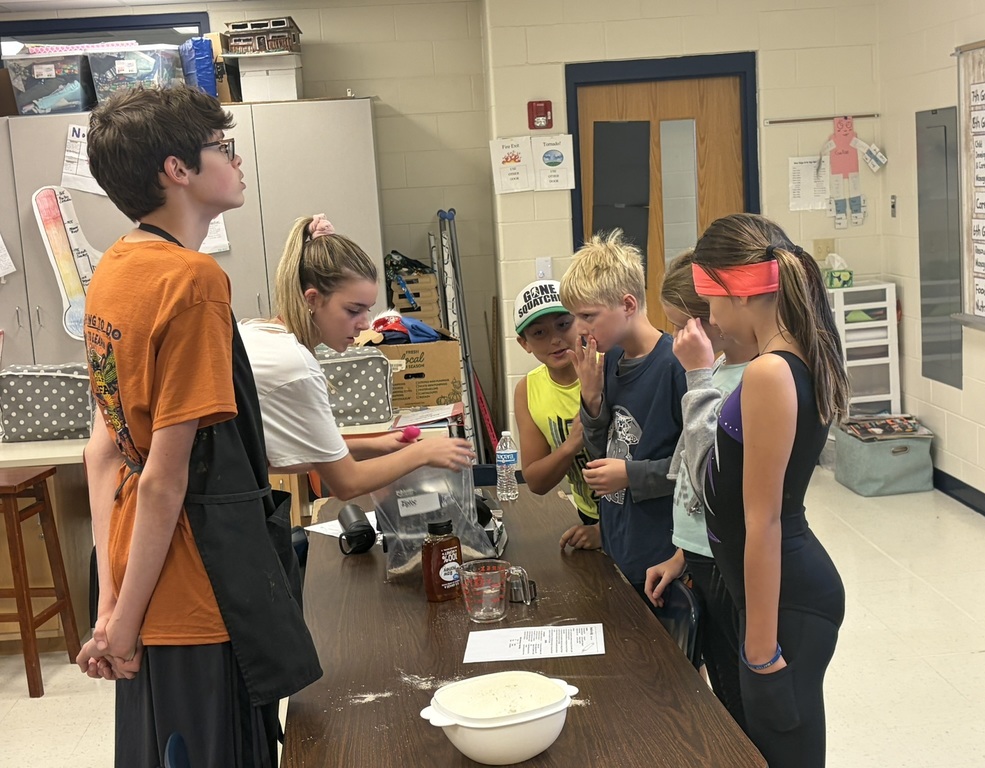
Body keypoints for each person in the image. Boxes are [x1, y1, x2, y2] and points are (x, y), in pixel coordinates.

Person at [77, 85, 320, 767]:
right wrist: (123, 629)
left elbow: (102, 451)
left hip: (139, 572)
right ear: (176, 170)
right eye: (222, 147)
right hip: (195, 586)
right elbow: (163, 480)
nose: (235, 162)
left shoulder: (114, 271)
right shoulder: (192, 281)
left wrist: (114, 600)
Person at [680, 213, 847, 768]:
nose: (711, 319)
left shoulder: (771, 372)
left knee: (788, 755)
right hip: (773, 591)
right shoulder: (787, 357)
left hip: (789, 600)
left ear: (741, 291)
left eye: (711, 302)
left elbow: (764, 519)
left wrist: (759, 644)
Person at [238, 214, 475, 497]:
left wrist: (376, 445)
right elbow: (347, 483)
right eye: (353, 310)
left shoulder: (258, 331)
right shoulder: (294, 366)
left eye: (367, 310)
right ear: (312, 299)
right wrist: (423, 452)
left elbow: (278, 455)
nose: (364, 323)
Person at [644, 250, 757, 730]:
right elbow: (688, 487)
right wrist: (680, 554)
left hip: (729, 563)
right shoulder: (717, 374)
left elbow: (707, 469)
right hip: (700, 556)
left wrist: (696, 375)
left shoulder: (745, 380)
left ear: (709, 321)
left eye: (678, 326)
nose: (673, 339)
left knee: (737, 695)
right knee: (721, 686)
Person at [559, 229, 686, 606]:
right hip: (621, 543)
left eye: (588, 316)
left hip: (662, 549)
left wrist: (630, 475)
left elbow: (697, 469)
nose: (579, 329)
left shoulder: (676, 365)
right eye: (574, 317)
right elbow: (601, 454)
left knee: (674, 659)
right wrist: (592, 398)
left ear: (628, 304)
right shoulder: (610, 361)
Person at [510, 279, 600, 550]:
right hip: (587, 514)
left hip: (632, 521)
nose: (555, 339)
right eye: (539, 333)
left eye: (563, 325)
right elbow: (536, 480)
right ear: (524, 343)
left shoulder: (607, 368)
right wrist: (570, 446)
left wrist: (606, 531)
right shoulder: (528, 390)